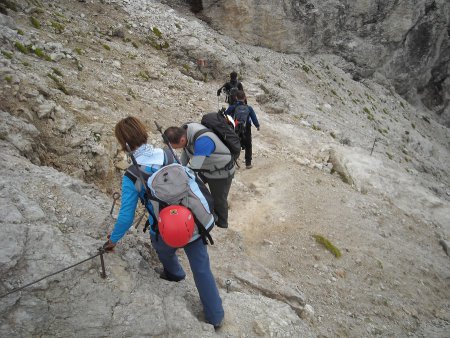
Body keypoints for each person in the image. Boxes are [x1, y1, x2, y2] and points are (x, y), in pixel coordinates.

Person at [102, 116, 224, 329]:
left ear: (124, 144)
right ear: (144, 133)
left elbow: (126, 217)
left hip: (165, 229)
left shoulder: (131, 175)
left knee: (162, 248)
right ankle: (215, 317)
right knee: (202, 268)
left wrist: (112, 240)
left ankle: (175, 274)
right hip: (192, 221)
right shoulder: (167, 152)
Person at [163, 123, 235, 229]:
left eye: (176, 147)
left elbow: (193, 167)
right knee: (196, 188)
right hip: (206, 168)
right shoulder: (185, 132)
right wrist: (178, 168)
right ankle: (204, 211)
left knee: (218, 199)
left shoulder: (203, 141)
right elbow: (186, 153)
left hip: (221, 171)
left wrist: (178, 177)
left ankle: (222, 224)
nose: (177, 149)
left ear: (182, 140)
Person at [225, 90, 260, 169]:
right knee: (248, 145)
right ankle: (248, 164)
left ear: (236, 97)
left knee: (233, 144)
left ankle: (232, 162)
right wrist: (257, 126)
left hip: (235, 128)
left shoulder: (233, 107)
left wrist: (228, 124)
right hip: (246, 129)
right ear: (244, 98)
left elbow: (226, 115)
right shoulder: (249, 108)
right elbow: (254, 118)